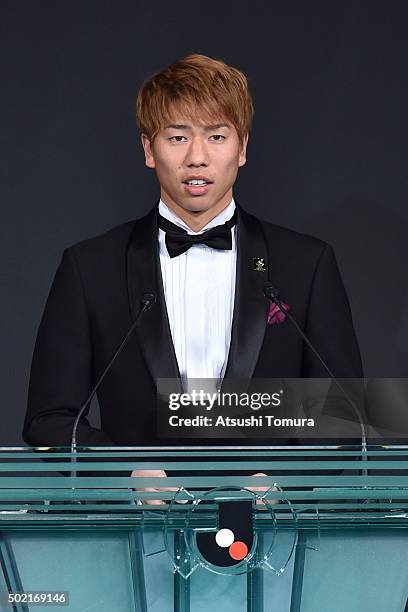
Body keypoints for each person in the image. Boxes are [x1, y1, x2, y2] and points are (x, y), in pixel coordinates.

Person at [23, 54, 363, 501]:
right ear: (149, 149)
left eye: (216, 137)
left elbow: (346, 416)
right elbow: (49, 417)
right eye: (177, 137)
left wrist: (281, 479)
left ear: (242, 148)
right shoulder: (90, 267)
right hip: (136, 537)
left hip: (275, 534)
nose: (197, 157)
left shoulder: (307, 263)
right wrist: (127, 474)